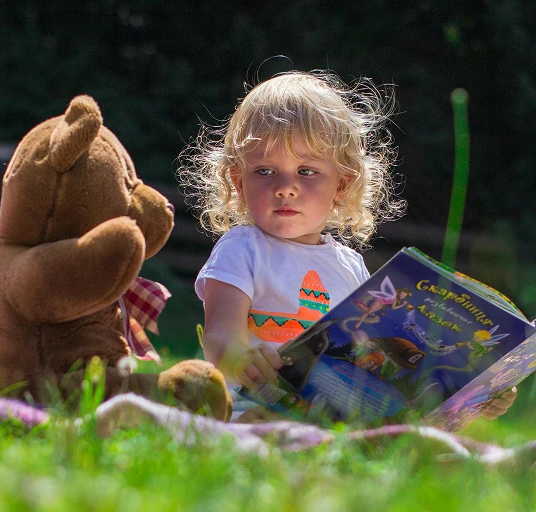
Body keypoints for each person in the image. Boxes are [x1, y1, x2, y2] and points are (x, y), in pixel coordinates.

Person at [178, 70, 516, 422]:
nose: (285, 187)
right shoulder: (243, 248)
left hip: (337, 418)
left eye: (306, 171)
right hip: (256, 408)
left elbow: (369, 354)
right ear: (238, 180)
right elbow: (219, 336)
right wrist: (239, 359)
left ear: (342, 183)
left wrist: (476, 396)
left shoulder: (350, 265)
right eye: (265, 171)